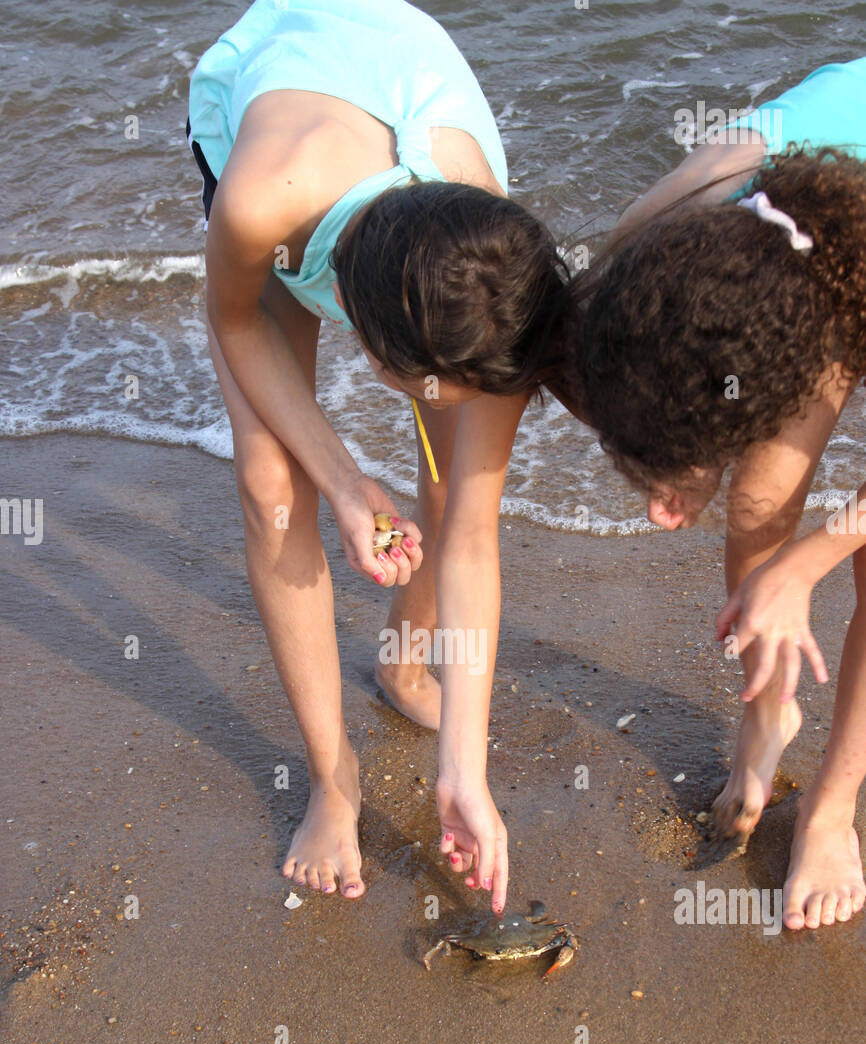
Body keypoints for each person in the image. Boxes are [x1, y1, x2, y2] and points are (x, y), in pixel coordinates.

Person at [187, 0, 570, 906]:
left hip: (402, 97)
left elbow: (474, 538)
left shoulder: (495, 282)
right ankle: (331, 776)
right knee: (271, 480)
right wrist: (346, 481)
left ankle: (404, 663)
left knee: (452, 484)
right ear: (374, 355)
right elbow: (233, 317)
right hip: (287, 99)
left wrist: (463, 771)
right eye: (431, 388)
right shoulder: (261, 199)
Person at [567, 57, 866, 929]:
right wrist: (684, 463)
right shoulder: (684, 223)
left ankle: (835, 805)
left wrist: (810, 560)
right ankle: (768, 714)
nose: (662, 511)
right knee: (762, 498)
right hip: (822, 240)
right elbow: (633, 314)